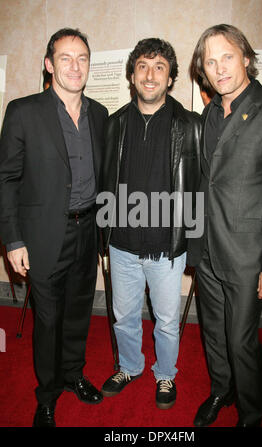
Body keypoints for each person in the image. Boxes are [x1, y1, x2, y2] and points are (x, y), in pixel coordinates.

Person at [188, 24, 262, 427]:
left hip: (250, 256)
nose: (219, 69)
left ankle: (251, 415)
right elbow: (207, 183)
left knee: (241, 341)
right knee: (213, 335)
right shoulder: (209, 114)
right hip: (209, 251)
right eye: (210, 62)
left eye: (227, 57)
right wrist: (193, 241)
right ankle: (222, 390)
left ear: (246, 57)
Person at [0, 28, 108, 427]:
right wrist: (13, 240)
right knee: (48, 319)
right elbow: (6, 179)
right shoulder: (23, 111)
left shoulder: (99, 114)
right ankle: (46, 396)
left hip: (86, 232)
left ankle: (73, 374)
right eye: (65, 58)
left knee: (79, 311)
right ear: (49, 65)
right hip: (43, 235)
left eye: (82, 58)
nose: (75, 66)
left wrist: (105, 233)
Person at [99, 38, 201, 410]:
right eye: (143, 65)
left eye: (160, 67)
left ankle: (165, 374)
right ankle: (129, 366)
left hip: (167, 246)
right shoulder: (114, 125)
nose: (150, 74)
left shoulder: (191, 125)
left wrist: (195, 243)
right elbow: (103, 182)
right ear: (131, 74)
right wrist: (103, 234)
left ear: (171, 77)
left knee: (166, 320)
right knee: (123, 316)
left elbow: (198, 187)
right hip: (121, 244)